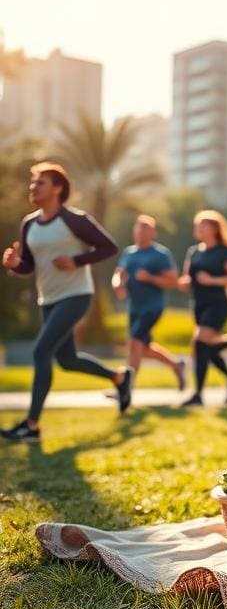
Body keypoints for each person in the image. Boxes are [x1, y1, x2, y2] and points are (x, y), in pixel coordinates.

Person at [1, 163, 131, 443]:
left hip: (76, 295)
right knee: (67, 360)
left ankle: (31, 425)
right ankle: (119, 378)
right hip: (47, 298)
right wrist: (15, 264)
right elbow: (29, 265)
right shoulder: (30, 224)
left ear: (58, 188)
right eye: (33, 183)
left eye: (41, 183)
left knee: (41, 351)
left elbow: (109, 247)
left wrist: (76, 260)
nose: (33, 187)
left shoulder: (74, 220)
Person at [178, 210, 227, 407]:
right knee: (204, 349)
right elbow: (187, 276)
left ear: (215, 229)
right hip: (198, 305)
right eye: (197, 225)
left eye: (203, 225)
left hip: (217, 304)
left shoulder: (224, 252)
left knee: (200, 344)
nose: (198, 229)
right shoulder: (194, 252)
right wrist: (184, 282)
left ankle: (198, 395)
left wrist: (213, 280)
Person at [112, 215, 186, 394]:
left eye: (145, 229)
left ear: (153, 233)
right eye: (138, 229)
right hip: (134, 307)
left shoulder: (160, 254)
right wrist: (118, 285)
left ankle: (126, 388)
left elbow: (173, 281)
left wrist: (150, 278)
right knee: (143, 348)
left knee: (134, 342)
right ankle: (176, 365)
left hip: (153, 306)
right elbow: (119, 273)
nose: (140, 233)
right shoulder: (129, 253)